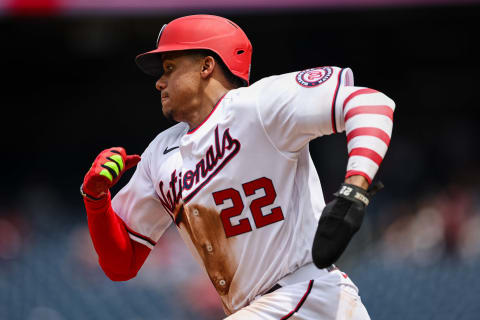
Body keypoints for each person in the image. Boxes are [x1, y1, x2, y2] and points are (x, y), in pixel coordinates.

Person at [81, 14, 395, 319]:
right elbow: (121, 264)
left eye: (170, 67)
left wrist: (355, 189)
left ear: (206, 65)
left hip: (309, 296)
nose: (159, 82)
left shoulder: (259, 105)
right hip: (259, 308)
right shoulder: (160, 153)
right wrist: (96, 200)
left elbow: (370, 104)